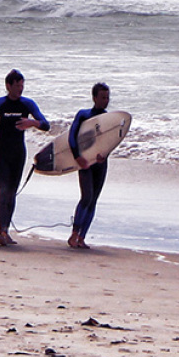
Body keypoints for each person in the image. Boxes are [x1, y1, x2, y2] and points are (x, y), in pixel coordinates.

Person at [0, 69, 49, 246]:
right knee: (3, 193)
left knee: (12, 193)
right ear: (8, 86)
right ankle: (2, 231)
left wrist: (32, 123)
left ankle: (6, 231)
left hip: (18, 154)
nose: (20, 89)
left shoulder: (27, 104)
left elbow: (46, 125)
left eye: (22, 86)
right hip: (0, 154)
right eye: (17, 86)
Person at [68, 82, 111, 250]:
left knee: (93, 200)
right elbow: (72, 137)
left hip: (100, 163)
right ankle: (74, 234)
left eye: (107, 97)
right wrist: (77, 157)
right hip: (85, 161)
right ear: (94, 98)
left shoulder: (109, 118)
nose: (105, 100)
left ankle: (82, 237)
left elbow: (111, 141)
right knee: (86, 196)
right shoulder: (83, 115)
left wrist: (105, 154)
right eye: (102, 97)